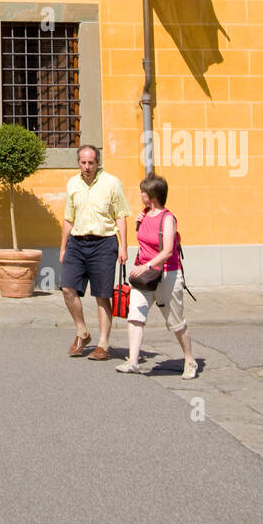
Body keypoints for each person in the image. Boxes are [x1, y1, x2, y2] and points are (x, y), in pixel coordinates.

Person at [116, 174, 197, 379]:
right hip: (144, 277)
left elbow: (168, 250)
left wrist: (147, 266)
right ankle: (133, 361)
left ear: (153, 195)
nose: (140, 194)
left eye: (143, 191)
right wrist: (138, 224)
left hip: (167, 274)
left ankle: (189, 360)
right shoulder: (144, 215)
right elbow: (145, 241)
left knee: (176, 322)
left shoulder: (168, 218)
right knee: (135, 316)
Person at [60, 144, 129, 360]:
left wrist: (124, 246)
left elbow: (121, 215)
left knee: (102, 295)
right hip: (77, 243)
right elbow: (68, 218)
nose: (87, 166)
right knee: (67, 288)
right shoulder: (73, 184)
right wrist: (62, 247)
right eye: (83, 162)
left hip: (104, 244)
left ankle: (103, 344)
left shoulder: (112, 183)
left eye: (91, 162)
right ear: (78, 163)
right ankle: (82, 332)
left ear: (98, 163)